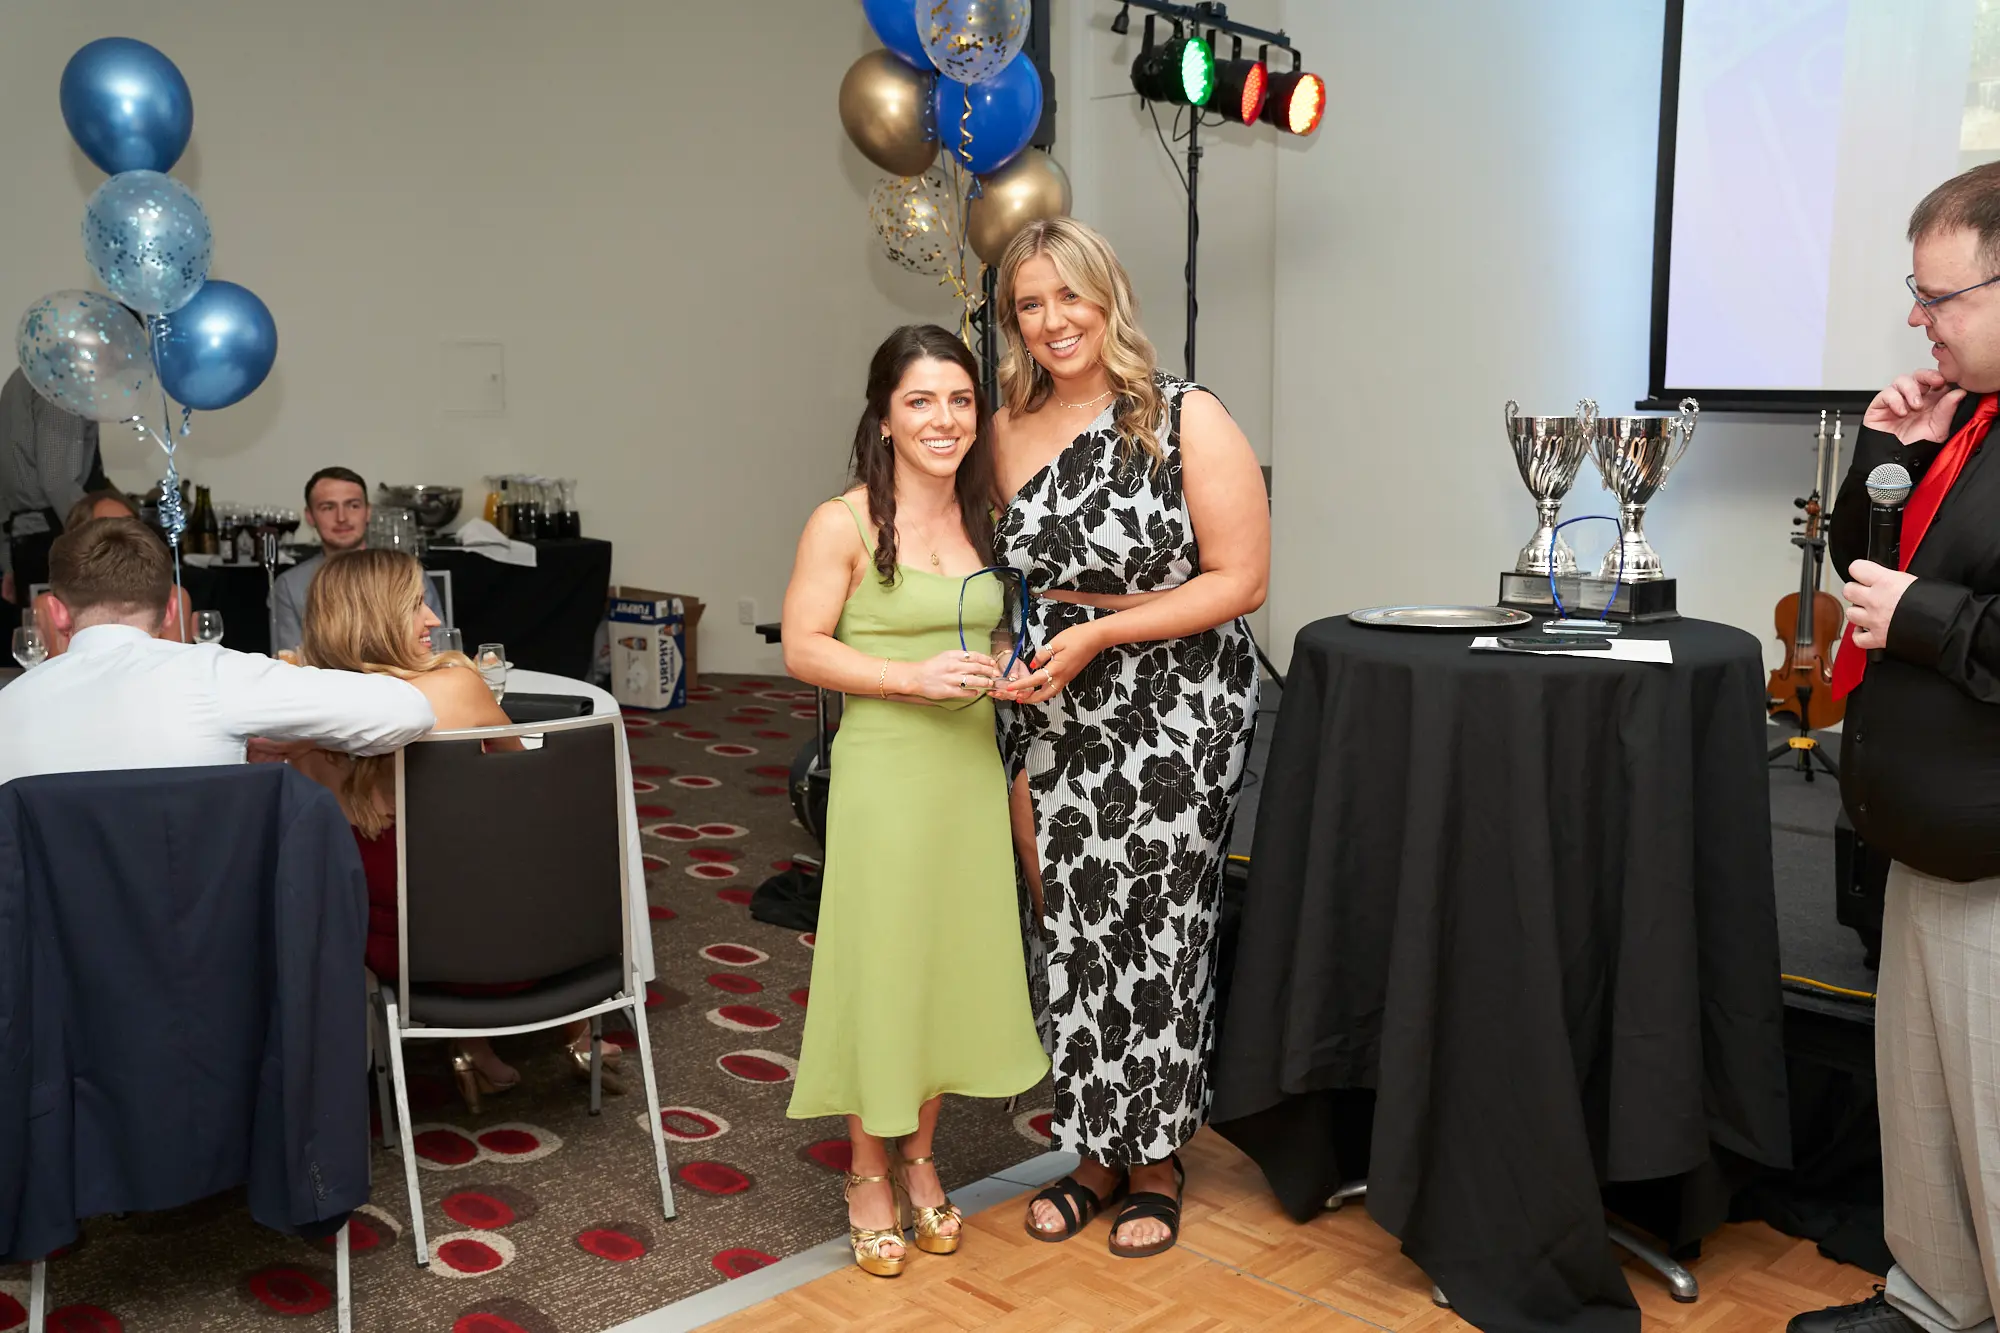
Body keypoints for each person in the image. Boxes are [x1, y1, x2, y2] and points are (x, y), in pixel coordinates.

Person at [991, 218, 1267, 1258]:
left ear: (1109, 298)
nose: (1053, 320)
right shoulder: (1005, 424)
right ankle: (1089, 1150)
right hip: (1051, 700)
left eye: (1070, 296)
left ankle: (1153, 1159)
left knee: (1155, 924)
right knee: (1067, 918)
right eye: (1030, 303)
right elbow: (992, 569)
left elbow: (1237, 580)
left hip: (1177, 703)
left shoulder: (1183, 417)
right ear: (1012, 320)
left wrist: (1101, 629)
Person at [781, 324, 1049, 1278]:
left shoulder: (990, 519)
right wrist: (909, 678)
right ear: (885, 419)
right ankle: (866, 1171)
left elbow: (995, 634)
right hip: (888, 774)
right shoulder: (842, 522)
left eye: (960, 400)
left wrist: (1018, 670)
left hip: (969, 771)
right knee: (887, 968)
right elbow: (804, 647)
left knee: (946, 965)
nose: (944, 419)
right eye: (920, 402)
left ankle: (924, 1155)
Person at [1792, 164, 2000, 1333]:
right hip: (1919, 829)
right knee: (1920, 1101)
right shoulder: (1964, 417)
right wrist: (1892, 459)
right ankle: (1932, 1298)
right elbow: (1869, 576)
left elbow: (1916, 609)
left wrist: (1920, 613)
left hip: (1988, 845)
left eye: (1938, 298)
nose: (1917, 321)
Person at [286, 547, 615, 1113]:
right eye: (416, 604)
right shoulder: (455, 688)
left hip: (406, 959)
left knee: (411, 881)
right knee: (524, 855)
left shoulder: (298, 715)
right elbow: (524, 788)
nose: (433, 620)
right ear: (376, 616)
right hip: (535, 944)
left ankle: (469, 1046)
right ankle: (574, 1032)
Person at [0, 517, 435, 788]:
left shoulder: (9, 706)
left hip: (51, 933)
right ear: (174, 608)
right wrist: (296, 733)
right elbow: (407, 710)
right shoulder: (215, 679)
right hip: (205, 931)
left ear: (55, 613)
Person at [270, 467, 442, 653]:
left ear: (368, 512)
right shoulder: (290, 585)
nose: (341, 518)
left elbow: (440, 646)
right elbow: (289, 660)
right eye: (328, 507)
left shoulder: (406, 572)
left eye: (353, 505)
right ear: (310, 516)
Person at [0, 366, 109, 612]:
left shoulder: (25, 372)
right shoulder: (62, 380)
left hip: (26, 543)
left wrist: (7, 563)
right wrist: (105, 545)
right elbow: (58, 481)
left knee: (39, 642)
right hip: (55, 543)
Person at [31, 491, 185, 656]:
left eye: (128, 523)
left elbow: (174, 662)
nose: (119, 535)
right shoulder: (53, 604)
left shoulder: (169, 594)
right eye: (105, 526)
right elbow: (59, 670)